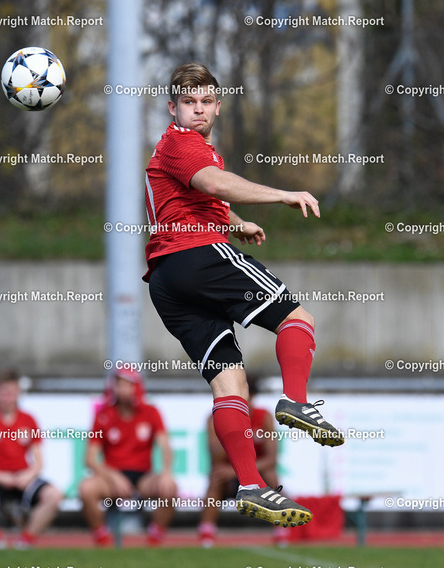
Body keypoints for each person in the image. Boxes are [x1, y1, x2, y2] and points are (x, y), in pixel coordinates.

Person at [144, 63, 344, 527]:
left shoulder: (183, 151)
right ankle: (295, 400)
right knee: (297, 319)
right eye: (188, 102)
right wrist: (282, 195)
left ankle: (251, 485)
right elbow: (214, 183)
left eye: (205, 102)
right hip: (197, 256)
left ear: (218, 105)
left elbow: (202, 196)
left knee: (229, 384)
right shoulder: (182, 143)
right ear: (172, 108)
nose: (197, 110)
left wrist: (235, 223)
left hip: (166, 281)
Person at [0, 369, 62, 549]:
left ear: (18, 393)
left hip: (21, 476)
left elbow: (39, 461)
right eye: (3, 392)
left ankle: (26, 540)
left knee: (54, 496)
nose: (7, 397)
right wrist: (0, 477)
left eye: (11, 392)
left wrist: (27, 475)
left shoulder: (28, 419)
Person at [79, 368, 177, 546]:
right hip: (112, 476)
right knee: (86, 489)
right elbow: (90, 459)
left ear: (136, 387)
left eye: (128, 385)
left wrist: (166, 473)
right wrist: (113, 476)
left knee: (169, 487)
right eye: (119, 385)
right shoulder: (103, 415)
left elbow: (165, 447)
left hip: (143, 476)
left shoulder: (151, 412)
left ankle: (154, 541)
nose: (123, 390)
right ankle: (102, 540)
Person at [198, 375, 278, 546]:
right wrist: (232, 428)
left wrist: (240, 471)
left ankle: (281, 531)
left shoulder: (264, 417)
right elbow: (215, 457)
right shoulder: (214, 419)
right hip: (227, 478)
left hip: (253, 475)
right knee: (216, 478)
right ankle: (206, 533)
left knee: (271, 477)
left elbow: (271, 459)